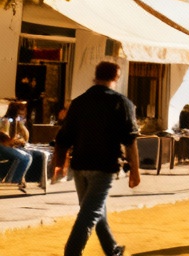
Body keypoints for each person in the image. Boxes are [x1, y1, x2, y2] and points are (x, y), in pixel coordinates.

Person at [52, 61, 140, 256]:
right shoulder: (121, 102)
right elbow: (130, 141)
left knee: (92, 208)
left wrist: (60, 164)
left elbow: (63, 137)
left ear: (96, 75)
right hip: (104, 165)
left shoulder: (79, 102)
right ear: (116, 77)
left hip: (80, 163)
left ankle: (112, 250)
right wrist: (135, 170)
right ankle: (71, 252)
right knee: (89, 213)